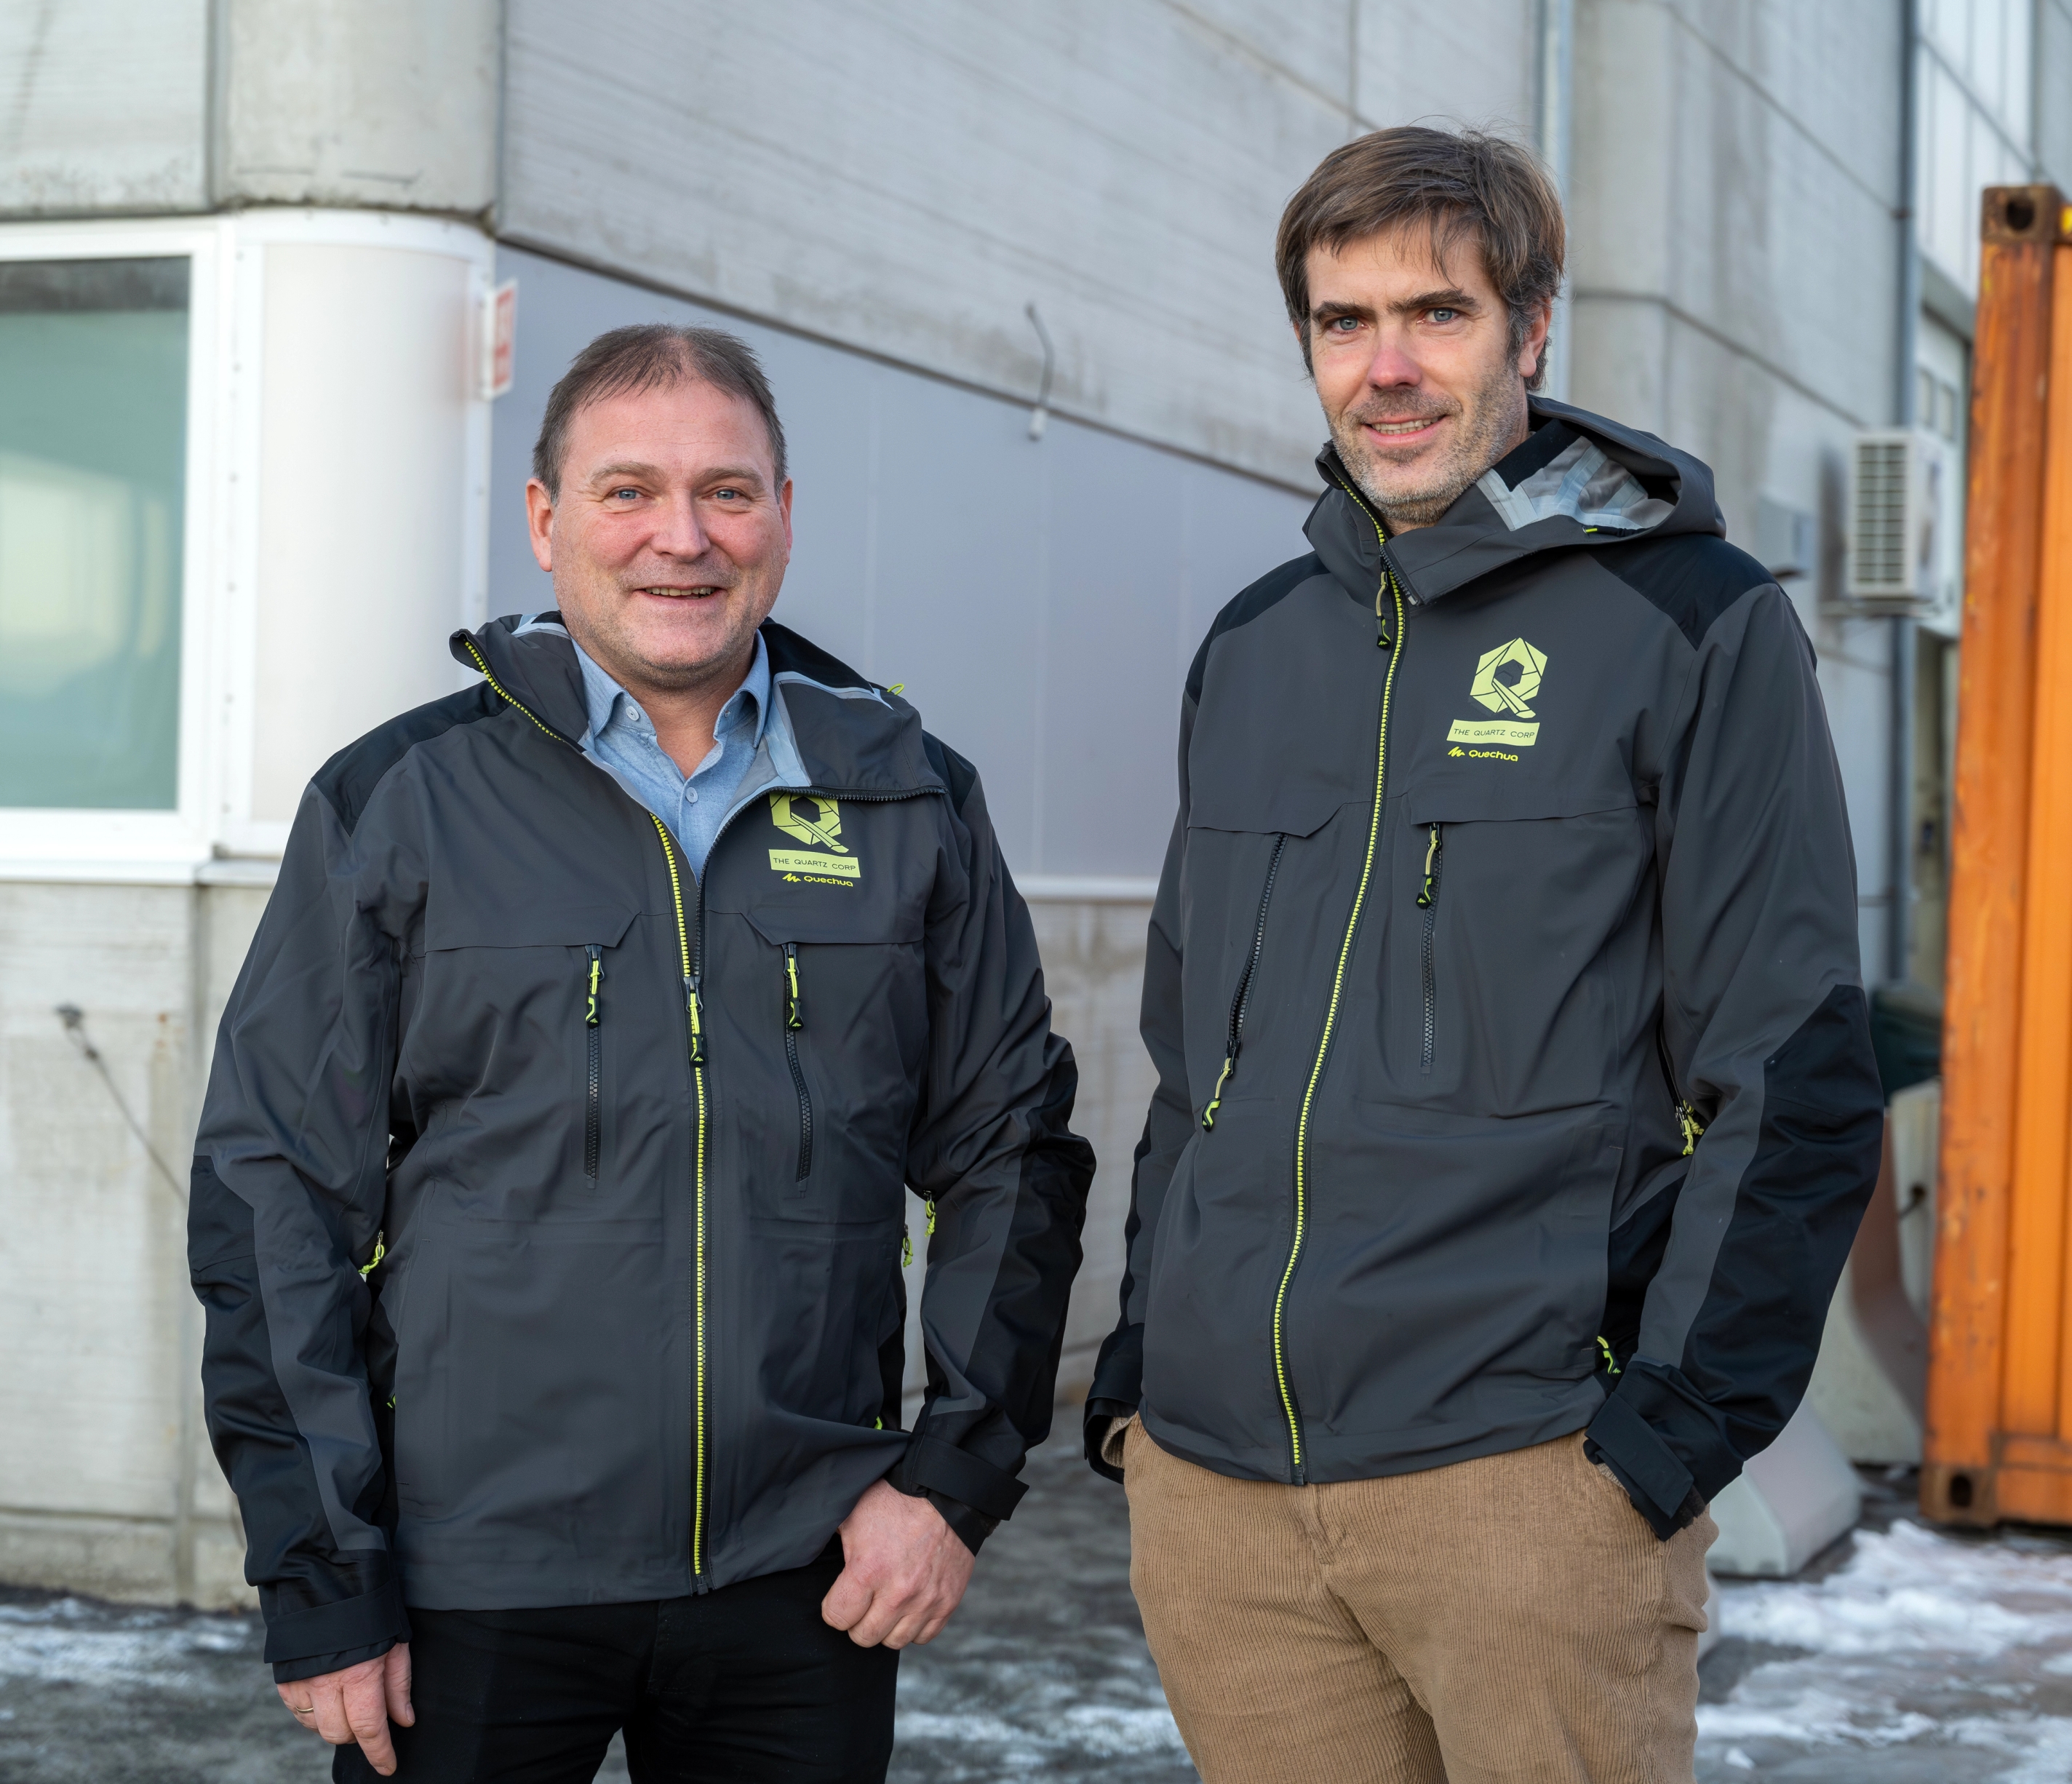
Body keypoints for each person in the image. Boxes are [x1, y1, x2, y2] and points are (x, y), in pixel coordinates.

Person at [1085, 126, 1884, 1782]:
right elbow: (1190, 1065)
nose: (1384, 368)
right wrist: (1143, 1378)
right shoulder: (1253, 646)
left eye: (1435, 313)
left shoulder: (1691, 621)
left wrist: (1666, 1434)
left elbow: (1792, 1067)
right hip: (1224, 1506)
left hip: (1521, 1483)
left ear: (1529, 328)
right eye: (1342, 320)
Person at [188, 324, 1092, 1783]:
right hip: (472, 1574)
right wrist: (323, 1569)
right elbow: (272, 1194)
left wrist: (949, 1480)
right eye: (628, 491)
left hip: (803, 1572)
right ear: (545, 519)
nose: (683, 537)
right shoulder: (399, 802)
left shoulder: (908, 798)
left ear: (783, 514)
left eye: (726, 491)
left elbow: (1013, 1154)